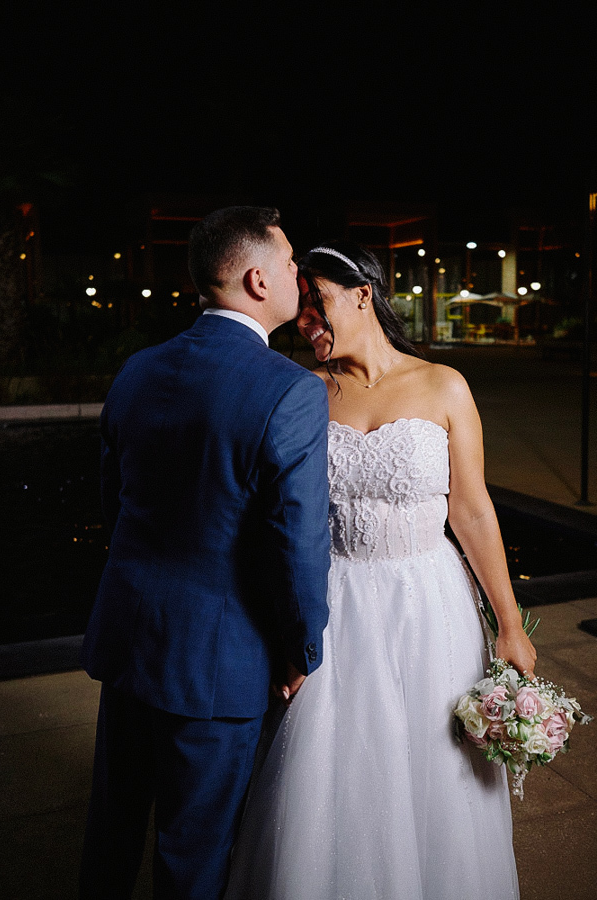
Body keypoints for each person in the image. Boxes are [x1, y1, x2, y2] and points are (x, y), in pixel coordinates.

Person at [224, 240, 537, 900]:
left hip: (430, 602)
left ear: (364, 293)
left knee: (435, 766)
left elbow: (473, 511)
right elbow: (273, 518)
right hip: (334, 604)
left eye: (320, 304)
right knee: (336, 770)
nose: (307, 322)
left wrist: (510, 625)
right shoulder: (303, 391)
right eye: (300, 310)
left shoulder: (443, 385)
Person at [79, 206, 331, 900]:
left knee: (111, 835)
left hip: (129, 637)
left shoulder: (137, 370)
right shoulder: (290, 391)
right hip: (217, 664)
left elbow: (115, 503)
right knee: (193, 855)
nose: (297, 279)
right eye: (287, 266)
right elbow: (298, 544)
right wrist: (301, 649)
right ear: (256, 279)